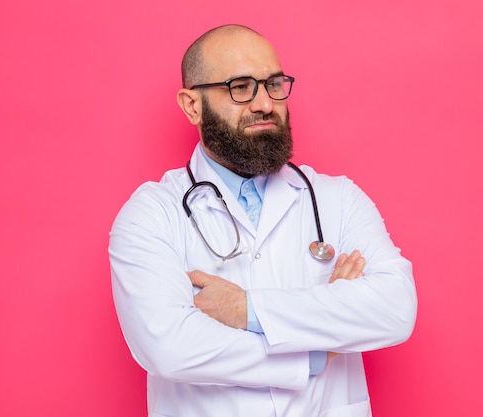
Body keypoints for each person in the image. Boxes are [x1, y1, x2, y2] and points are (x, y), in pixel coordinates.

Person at [109, 24, 417, 417]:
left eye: (273, 84)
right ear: (192, 105)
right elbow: (170, 346)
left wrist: (246, 308)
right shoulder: (151, 215)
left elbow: (394, 309)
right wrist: (316, 352)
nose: (265, 104)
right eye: (240, 87)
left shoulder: (337, 199)